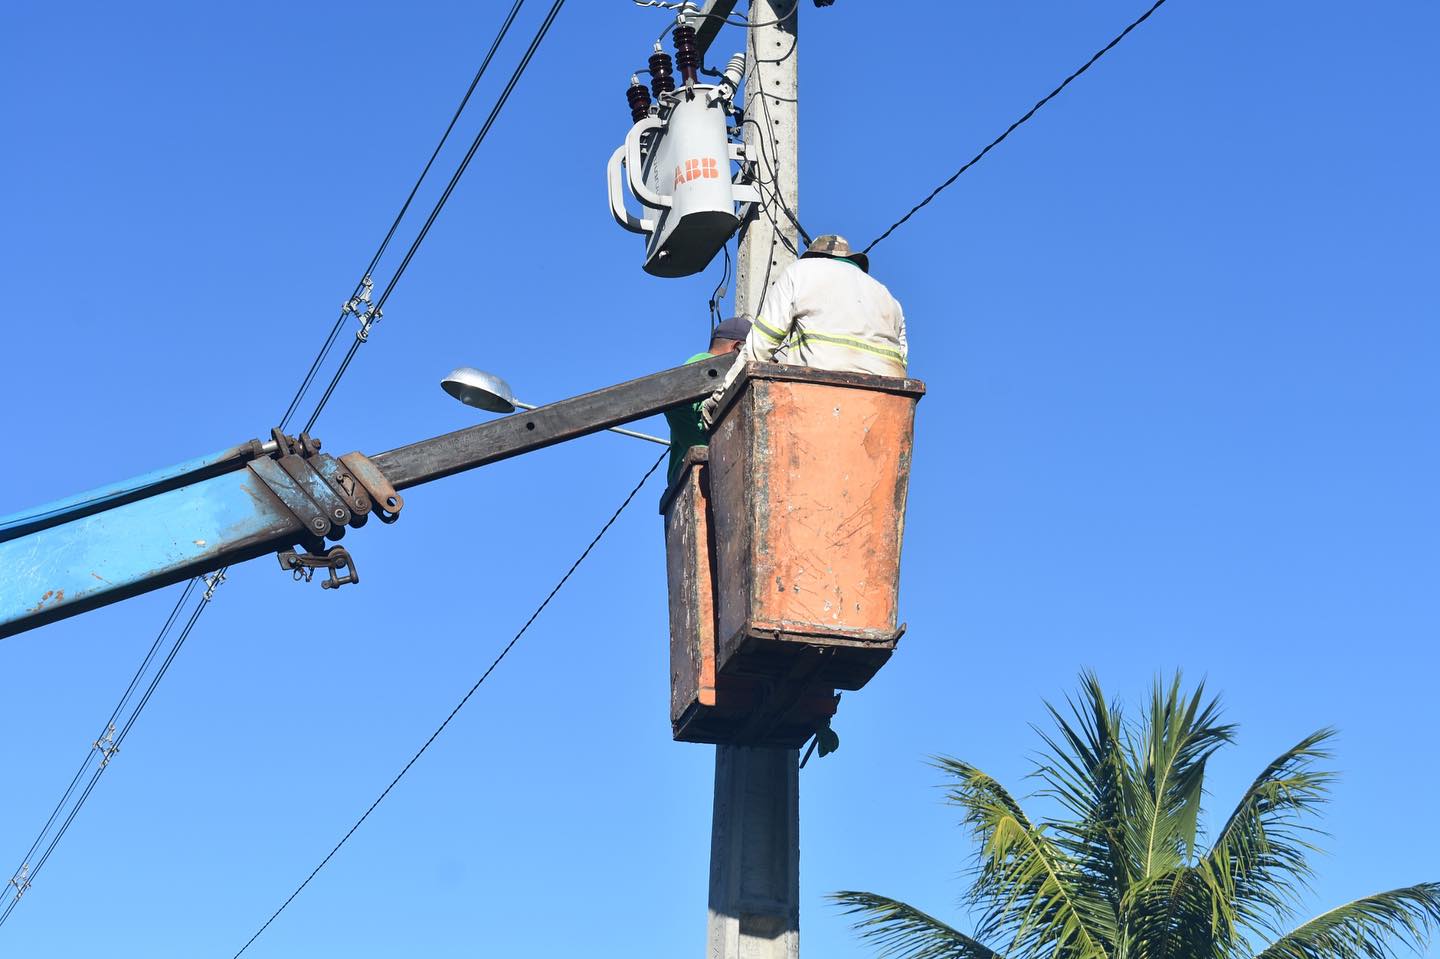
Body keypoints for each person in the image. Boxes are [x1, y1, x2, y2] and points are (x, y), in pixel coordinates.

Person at [701, 234, 907, 425]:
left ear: (813, 257)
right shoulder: (890, 299)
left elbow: (759, 347)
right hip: (883, 409)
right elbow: (902, 362)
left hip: (819, 399)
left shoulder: (800, 273)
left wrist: (721, 398)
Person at [664, 315, 753, 486]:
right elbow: (673, 402)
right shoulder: (705, 363)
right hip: (691, 476)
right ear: (736, 348)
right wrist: (702, 450)